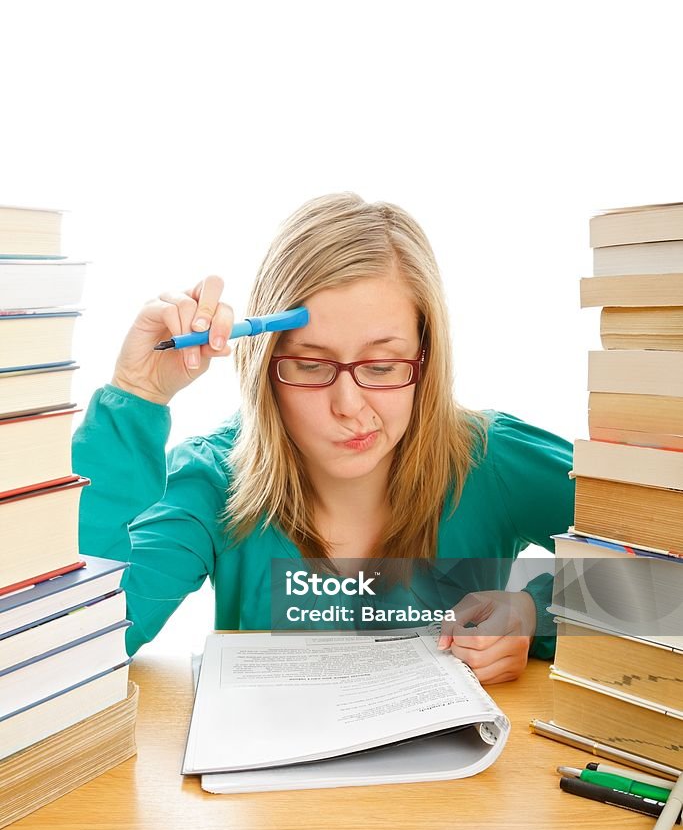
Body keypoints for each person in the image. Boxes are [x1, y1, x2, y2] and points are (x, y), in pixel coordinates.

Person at [73, 192, 574, 683]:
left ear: (426, 358)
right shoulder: (211, 481)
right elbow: (65, 645)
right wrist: (136, 396)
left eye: (381, 366)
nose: (349, 406)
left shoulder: (492, 460)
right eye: (311, 366)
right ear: (265, 366)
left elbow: (653, 570)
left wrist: (534, 614)